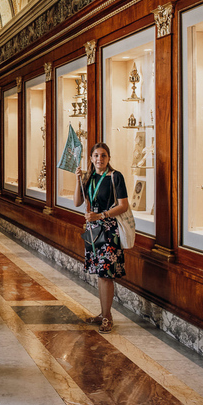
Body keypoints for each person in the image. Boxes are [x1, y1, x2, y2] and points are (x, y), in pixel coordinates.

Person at [73, 142, 129, 334]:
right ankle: (105, 313)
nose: (100, 159)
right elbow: (78, 202)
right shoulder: (89, 177)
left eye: (103, 155)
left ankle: (107, 317)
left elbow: (123, 206)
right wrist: (78, 179)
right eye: (96, 155)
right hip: (93, 230)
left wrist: (102, 215)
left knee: (106, 274)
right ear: (91, 158)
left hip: (109, 229)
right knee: (100, 273)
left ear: (108, 158)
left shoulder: (115, 177)